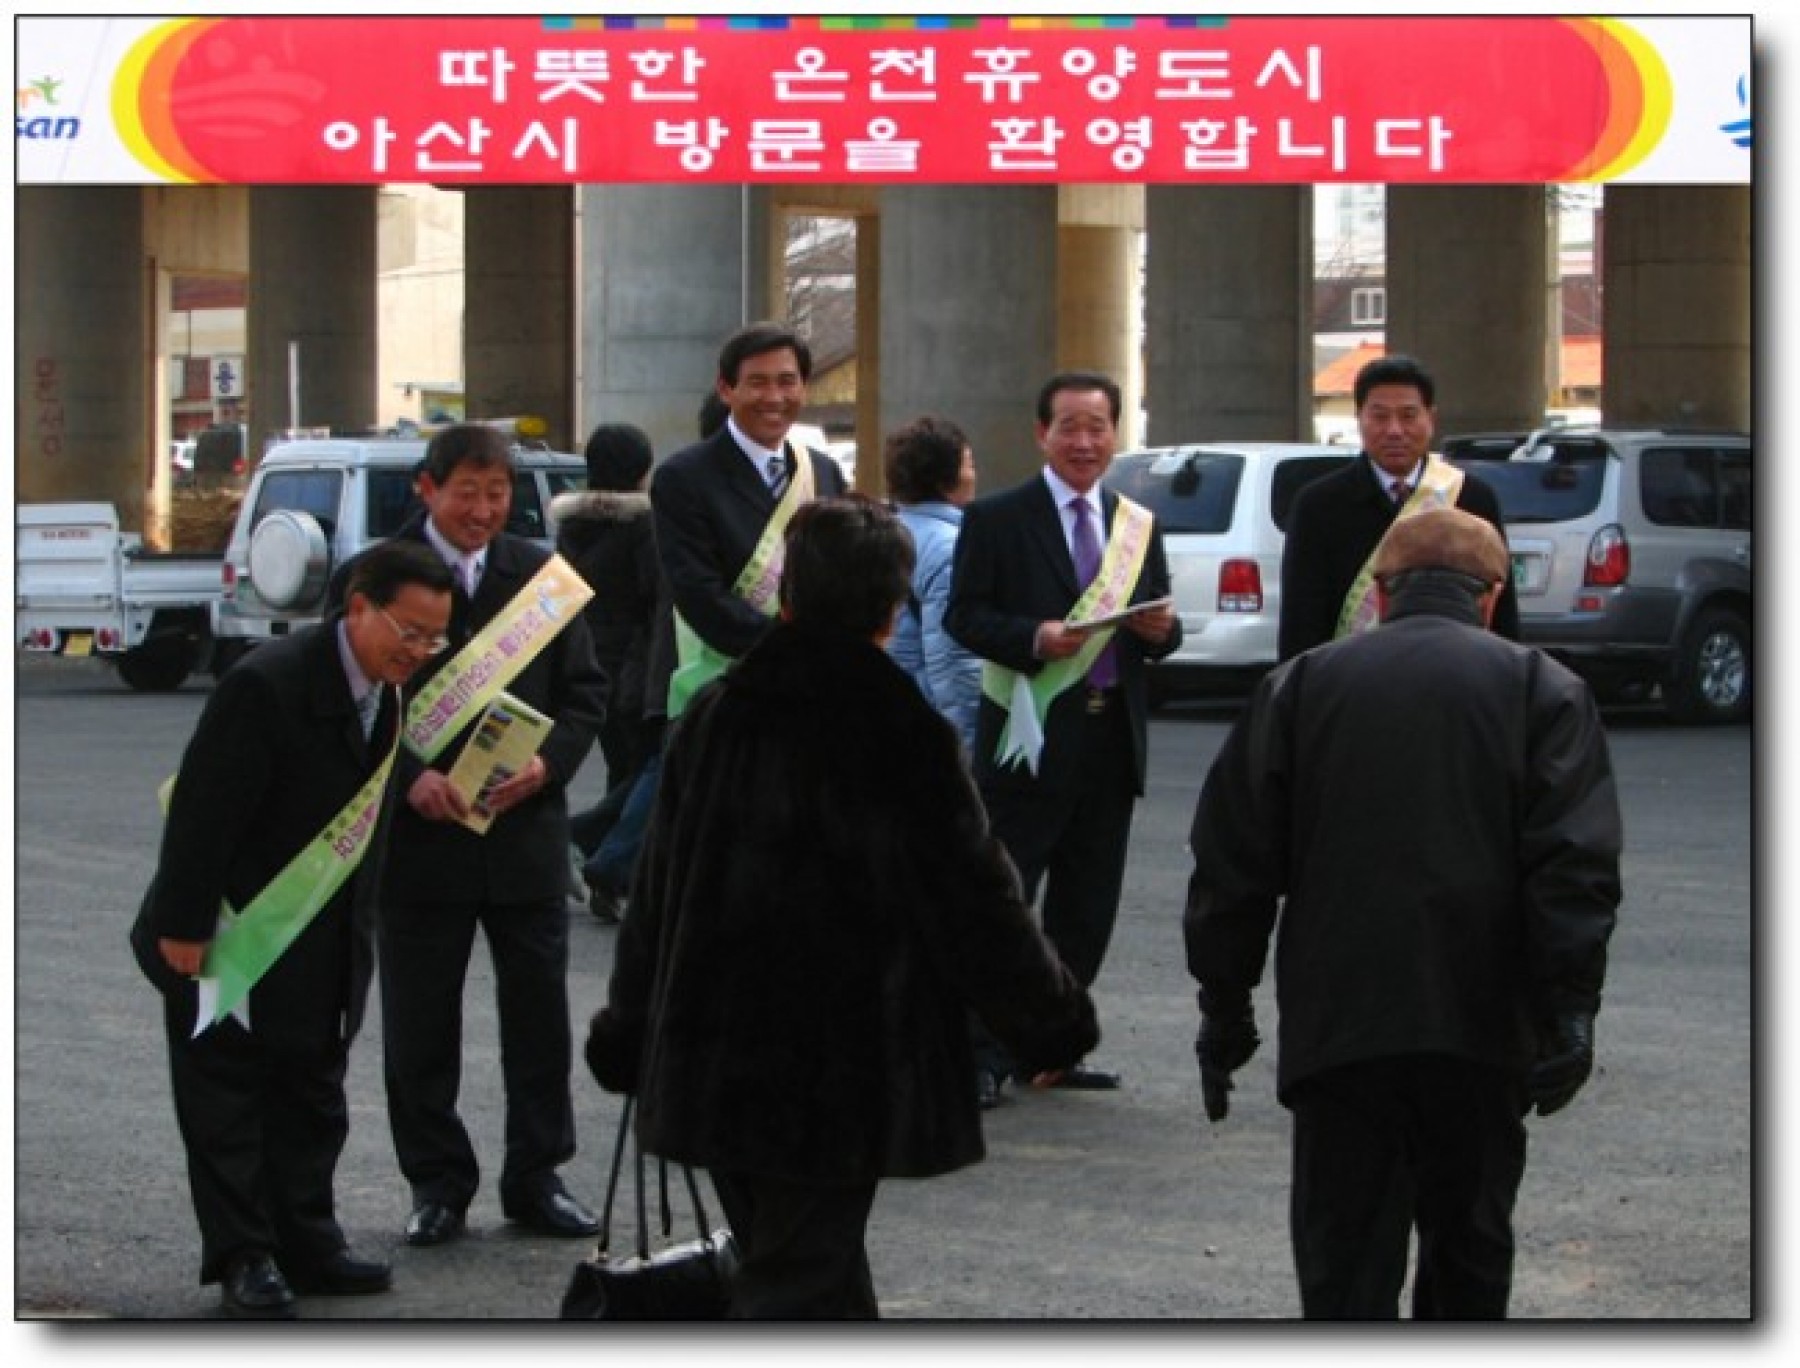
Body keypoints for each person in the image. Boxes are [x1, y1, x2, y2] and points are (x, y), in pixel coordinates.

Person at [584, 495, 1098, 1319]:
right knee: (800, 1281)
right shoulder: (901, 731)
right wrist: (1052, 1017)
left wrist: (629, 1028)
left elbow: (657, 894)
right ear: (894, 610)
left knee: (798, 1264)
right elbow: (976, 900)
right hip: (839, 1064)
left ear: (787, 591)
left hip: (710, 1046)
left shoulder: (718, 714)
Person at [1184, 507, 1622, 1320]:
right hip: (1483, 1028)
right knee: (1470, 1254)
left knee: (1344, 1265)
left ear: (1381, 592)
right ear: (1490, 597)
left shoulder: (1301, 686)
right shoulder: (1545, 690)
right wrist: (1570, 1011)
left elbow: (1231, 863)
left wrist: (1225, 1005)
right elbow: (1574, 870)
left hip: (1341, 1028)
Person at [130, 540, 455, 1318]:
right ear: (357, 608)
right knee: (227, 1098)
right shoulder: (265, 685)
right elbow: (205, 813)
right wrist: (183, 922)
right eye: (407, 632)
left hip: (324, 932)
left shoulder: (388, 687)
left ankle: (308, 1237)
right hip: (231, 929)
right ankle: (245, 1253)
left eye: (433, 638)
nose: (418, 651)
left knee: (311, 1086)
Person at [357, 422, 609, 1250]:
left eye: (497, 493)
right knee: (420, 1025)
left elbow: (584, 697)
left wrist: (549, 767)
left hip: (522, 836)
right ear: (426, 490)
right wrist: (407, 780)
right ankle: (437, 1184)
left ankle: (537, 1176)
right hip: (421, 846)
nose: (483, 509)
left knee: (538, 1020)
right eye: (467, 491)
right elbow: (347, 708)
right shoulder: (375, 575)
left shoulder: (541, 575)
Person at [945, 370, 1181, 1107]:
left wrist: (1162, 633)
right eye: (1070, 426)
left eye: (1099, 426)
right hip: (1027, 739)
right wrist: (1033, 637)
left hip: (1110, 741)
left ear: (1116, 434)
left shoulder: (1136, 524)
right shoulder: (997, 519)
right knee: (1004, 904)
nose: (1085, 440)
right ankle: (979, 1055)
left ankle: (1051, 1046)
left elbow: (1161, 629)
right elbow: (964, 616)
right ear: (1042, 433)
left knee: (1088, 908)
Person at [649, 320, 848, 721]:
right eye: (757, 382)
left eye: (787, 381)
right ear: (726, 389)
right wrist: (791, 650)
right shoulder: (684, 477)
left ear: (803, 388)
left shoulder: (824, 472)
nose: (773, 397)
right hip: (725, 687)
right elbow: (697, 590)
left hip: (815, 692)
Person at [1278, 352, 1519, 660]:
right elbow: (1301, 620)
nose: (1394, 430)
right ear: (1359, 419)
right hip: (1353, 683)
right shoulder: (1319, 505)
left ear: (1431, 419)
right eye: (1379, 416)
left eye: (1408, 416)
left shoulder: (1471, 499)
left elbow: (1502, 612)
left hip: (1454, 678)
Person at [555, 422, 660, 923]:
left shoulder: (571, 527)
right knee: (645, 773)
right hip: (633, 668)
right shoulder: (645, 528)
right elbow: (654, 601)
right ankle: (586, 844)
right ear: (642, 470)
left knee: (628, 770)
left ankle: (612, 875)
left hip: (583, 661)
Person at [883, 413, 982, 753]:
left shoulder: (881, 532)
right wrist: (966, 751)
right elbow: (955, 666)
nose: (974, 475)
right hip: (927, 730)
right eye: (968, 464)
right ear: (948, 478)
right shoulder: (950, 548)